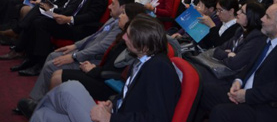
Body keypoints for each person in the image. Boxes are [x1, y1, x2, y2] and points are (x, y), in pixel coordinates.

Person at [30, 16, 181, 122]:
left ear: (143, 43)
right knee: (43, 115)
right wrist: (113, 104)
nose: (124, 38)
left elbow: (158, 119)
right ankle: (39, 107)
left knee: (69, 88)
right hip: (116, 114)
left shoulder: (159, 68)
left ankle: (37, 104)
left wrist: (111, 118)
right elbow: (133, 98)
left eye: (129, 36)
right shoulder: (143, 60)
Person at [15, 0, 134, 117]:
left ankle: (39, 105)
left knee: (53, 65)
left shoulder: (120, 29)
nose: (109, 6)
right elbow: (93, 37)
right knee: (53, 55)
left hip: (93, 59)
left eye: (113, 4)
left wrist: (74, 56)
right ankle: (37, 100)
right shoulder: (113, 20)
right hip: (86, 52)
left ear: (123, 7)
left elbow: (100, 47)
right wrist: (75, 46)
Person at [205, 2, 277, 122]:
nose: (262, 19)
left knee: (221, 112)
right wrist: (238, 81)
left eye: (267, 17)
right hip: (246, 94)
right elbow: (250, 67)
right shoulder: (266, 40)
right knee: (204, 91)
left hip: (267, 108)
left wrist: (247, 95)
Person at [50, 3, 147, 100]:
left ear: (131, 20)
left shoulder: (129, 42)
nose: (120, 16)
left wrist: (93, 69)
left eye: (123, 14)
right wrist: (94, 68)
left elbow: (114, 71)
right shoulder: (122, 36)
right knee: (57, 73)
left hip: (107, 83)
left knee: (57, 77)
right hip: (100, 73)